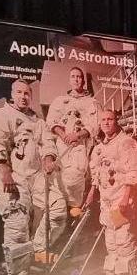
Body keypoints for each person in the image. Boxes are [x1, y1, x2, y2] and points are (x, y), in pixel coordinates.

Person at [0, 78, 43, 275]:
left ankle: (18, 265)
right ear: (12, 94)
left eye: (27, 93)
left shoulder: (36, 121)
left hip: (35, 177)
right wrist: (5, 172)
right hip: (14, 177)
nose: (23, 97)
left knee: (36, 227)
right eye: (19, 93)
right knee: (16, 224)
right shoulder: (0, 115)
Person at [87, 107, 137, 275]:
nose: (106, 123)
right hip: (106, 203)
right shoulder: (99, 148)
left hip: (120, 201)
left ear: (116, 121)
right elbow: (96, 174)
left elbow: (133, 172)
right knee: (111, 246)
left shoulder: (126, 142)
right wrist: (91, 193)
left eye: (110, 119)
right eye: (103, 120)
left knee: (123, 244)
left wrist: (125, 198)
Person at [44, 66, 98, 215]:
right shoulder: (60, 101)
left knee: (76, 176)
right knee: (60, 177)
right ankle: (62, 211)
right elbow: (51, 121)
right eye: (73, 76)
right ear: (69, 80)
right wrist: (63, 135)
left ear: (83, 81)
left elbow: (94, 125)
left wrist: (77, 135)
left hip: (80, 144)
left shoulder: (91, 102)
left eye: (79, 77)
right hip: (62, 143)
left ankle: (74, 209)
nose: (76, 79)